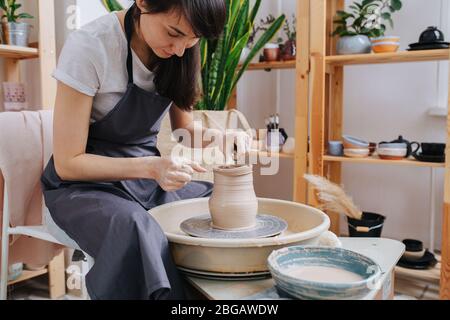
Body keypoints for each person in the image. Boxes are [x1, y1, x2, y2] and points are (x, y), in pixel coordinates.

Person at [41, 0, 249, 300]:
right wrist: (152, 167)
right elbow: (68, 163)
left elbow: (185, 130)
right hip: (82, 186)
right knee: (136, 227)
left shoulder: (183, 46)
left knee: (214, 206)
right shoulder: (90, 46)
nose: (180, 49)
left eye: (192, 40)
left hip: (144, 180)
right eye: (174, 33)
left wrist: (221, 137)